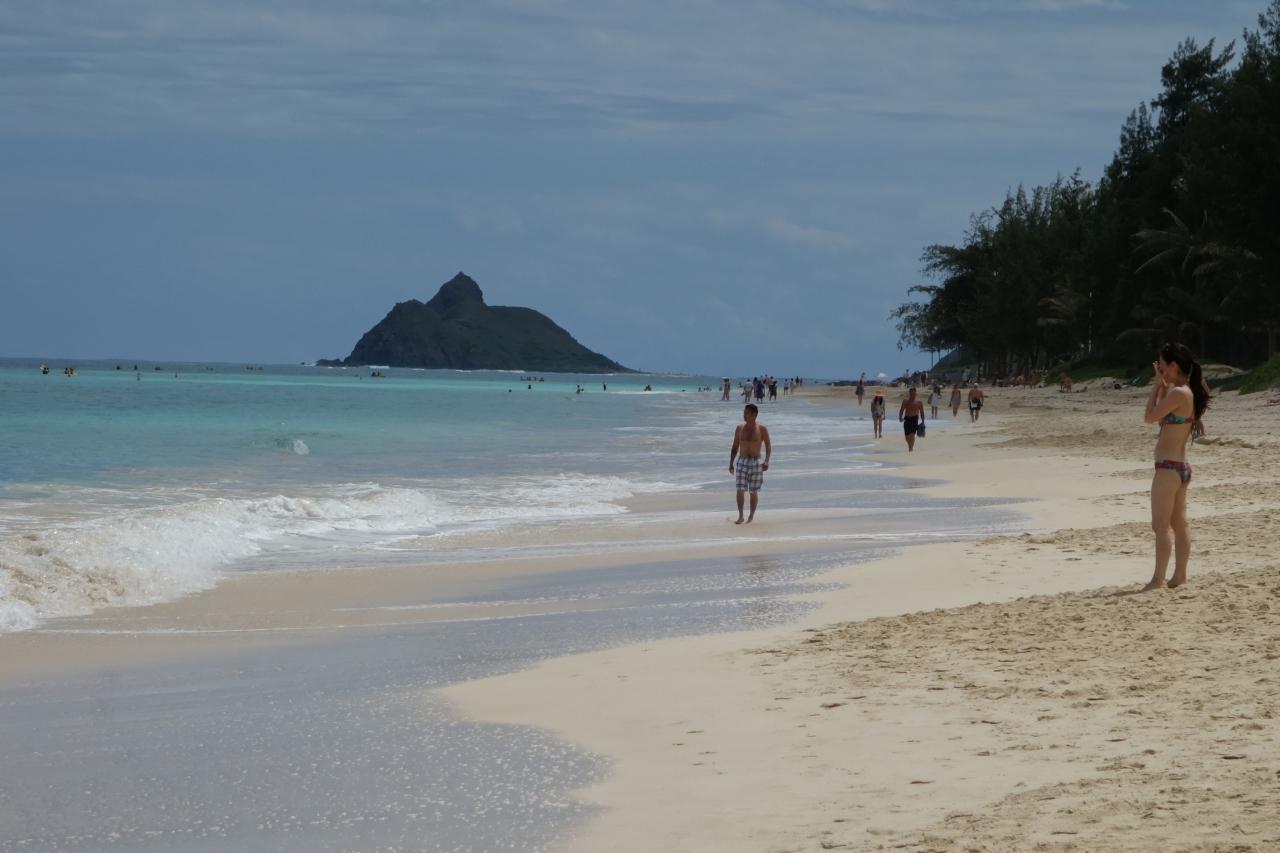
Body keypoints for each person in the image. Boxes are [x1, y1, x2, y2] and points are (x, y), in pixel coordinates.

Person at [1142, 342, 1210, 591]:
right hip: (1180, 467)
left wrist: (1154, 387)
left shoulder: (1179, 393)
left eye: (1162, 364)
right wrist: (1162, 386)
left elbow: (1150, 417)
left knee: (1160, 526)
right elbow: (1162, 415)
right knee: (1179, 525)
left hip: (1168, 468)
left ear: (1172, 365)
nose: (1159, 368)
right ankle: (1179, 575)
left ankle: (1157, 579)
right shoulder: (1184, 392)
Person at [729, 403, 772, 524]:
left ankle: (751, 516)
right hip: (742, 461)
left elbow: (768, 446)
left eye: (746, 413)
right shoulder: (739, 428)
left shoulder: (762, 429)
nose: (744, 415)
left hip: (756, 462)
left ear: (754, 414)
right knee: (740, 489)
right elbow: (735, 446)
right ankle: (741, 516)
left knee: (753, 491)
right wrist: (731, 463)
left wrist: (766, 461)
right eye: (744, 412)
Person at [898, 386, 925, 452]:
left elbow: (922, 412)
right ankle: (910, 446)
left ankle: (911, 448)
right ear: (909, 393)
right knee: (907, 436)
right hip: (907, 419)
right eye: (911, 393)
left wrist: (923, 421)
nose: (912, 395)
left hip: (914, 419)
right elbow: (901, 410)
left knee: (912, 434)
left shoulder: (919, 402)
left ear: (916, 393)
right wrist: (900, 417)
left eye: (913, 393)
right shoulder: (905, 401)